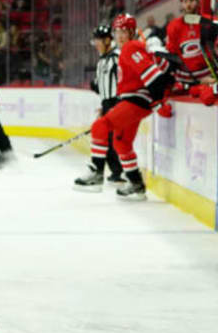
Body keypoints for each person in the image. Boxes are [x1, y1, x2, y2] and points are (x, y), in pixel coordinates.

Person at [74, 14, 218, 199]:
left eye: (124, 31)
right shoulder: (131, 48)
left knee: (100, 126)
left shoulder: (131, 48)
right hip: (134, 100)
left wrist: (157, 103)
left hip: (137, 100)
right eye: (117, 31)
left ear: (132, 32)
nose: (120, 35)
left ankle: (96, 172)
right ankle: (136, 184)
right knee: (121, 142)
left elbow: (153, 79)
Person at [86, 25, 124, 187]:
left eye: (98, 40)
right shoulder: (102, 60)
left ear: (108, 40)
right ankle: (114, 172)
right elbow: (101, 86)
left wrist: (119, 104)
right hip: (107, 103)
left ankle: (113, 172)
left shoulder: (116, 57)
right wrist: (103, 105)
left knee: (110, 138)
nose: (96, 44)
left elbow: (123, 82)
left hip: (117, 102)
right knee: (105, 138)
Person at [165, 0, 216, 86]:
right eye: (185, 1)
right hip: (187, 79)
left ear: (198, 1)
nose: (188, 4)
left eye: (191, 0)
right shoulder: (174, 26)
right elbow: (173, 53)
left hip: (210, 75)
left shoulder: (208, 21)